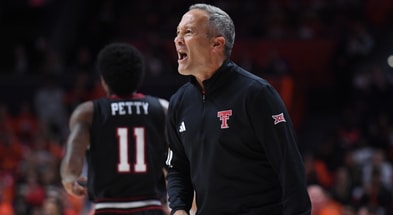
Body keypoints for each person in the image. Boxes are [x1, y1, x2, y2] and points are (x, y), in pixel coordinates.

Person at [165, 3, 311, 215]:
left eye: (188, 32)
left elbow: (289, 167)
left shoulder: (256, 94)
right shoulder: (180, 102)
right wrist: (178, 208)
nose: (177, 39)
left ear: (216, 44)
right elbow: (177, 167)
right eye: (178, 32)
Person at [60, 43, 170, 215]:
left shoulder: (88, 112)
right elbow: (175, 162)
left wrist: (69, 181)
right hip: (150, 206)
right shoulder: (162, 109)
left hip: (107, 207)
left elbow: (72, 167)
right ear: (140, 75)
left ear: (103, 79)